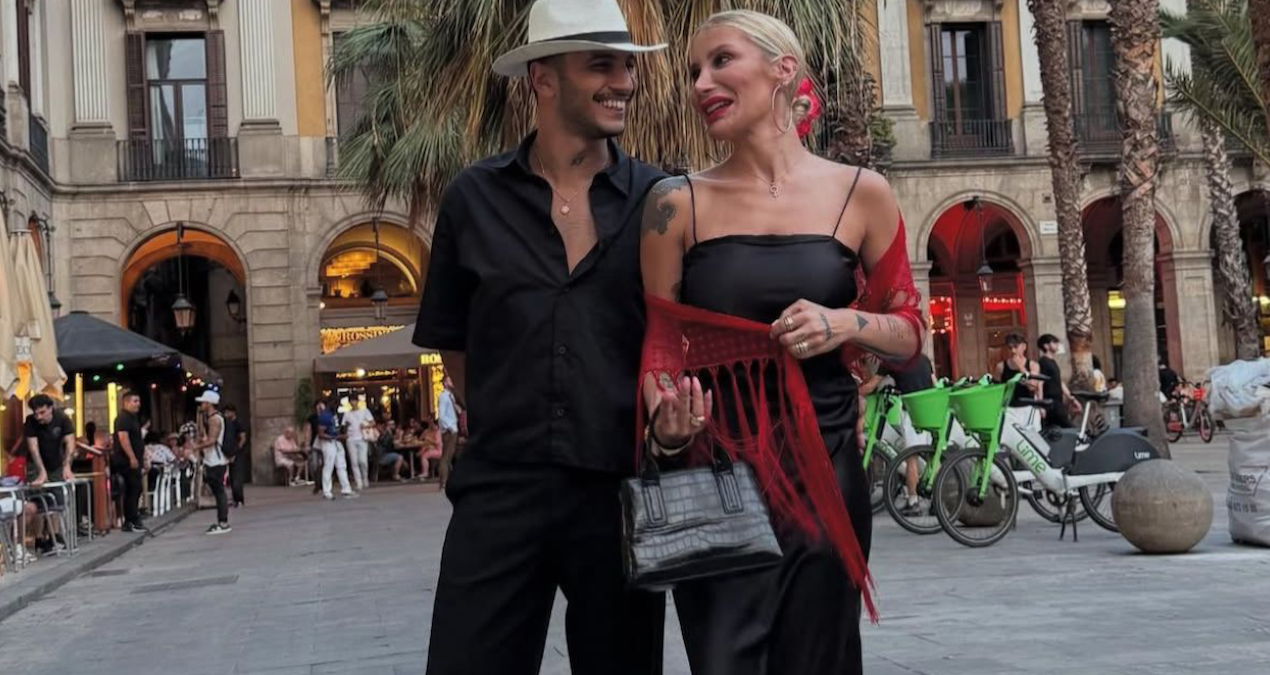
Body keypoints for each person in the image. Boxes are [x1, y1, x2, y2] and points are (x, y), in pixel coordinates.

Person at [637, 11, 925, 673]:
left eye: (721, 61)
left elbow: (909, 333)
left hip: (825, 463)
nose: (700, 83)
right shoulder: (673, 203)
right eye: (693, 72)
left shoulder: (863, 193)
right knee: (723, 658)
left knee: (819, 654)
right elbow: (661, 343)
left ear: (782, 70)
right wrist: (666, 425)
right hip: (714, 469)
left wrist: (843, 323)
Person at [412, 0, 668, 671]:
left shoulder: (661, 200)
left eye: (627, 66)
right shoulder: (474, 198)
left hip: (620, 494)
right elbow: (452, 342)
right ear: (543, 79)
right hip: (500, 489)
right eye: (601, 65)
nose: (624, 82)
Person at [879, 353, 936, 517]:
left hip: (912, 411)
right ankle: (937, 500)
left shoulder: (892, 358)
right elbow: (934, 381)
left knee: (911, 458)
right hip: (932, 408)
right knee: (933, 457)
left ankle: (913, 502)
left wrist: (856, 393)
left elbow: (872, 386)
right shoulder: (924, 358)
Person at [23, 394, 77, 553]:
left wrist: (67, 466)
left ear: (50, 408)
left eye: (42, 412)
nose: (39, 417)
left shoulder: (62, 418)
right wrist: (41, 472)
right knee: (38, 499)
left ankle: (55, 535)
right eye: (36, 414)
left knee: (56, 499)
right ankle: (40, 538)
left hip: (56, 462)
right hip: (36, 463)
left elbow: (70, 443)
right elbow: (33, 448)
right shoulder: (30, 421)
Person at [192, 391, 231, 535]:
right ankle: (222, 521)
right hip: (213, 458)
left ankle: (223, 522)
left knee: (219, 491)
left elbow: (212, 440)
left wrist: (197, 446)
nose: (201, 405)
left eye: (203, 402)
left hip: (215, 459)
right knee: (218, 490)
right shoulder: (213, 418)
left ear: (209, 403)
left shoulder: (214, 419)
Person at [112, 389, 148, 533]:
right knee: (133, 488)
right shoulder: (123, 418)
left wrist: (143, 456)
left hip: (135, 459)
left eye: (139, 401)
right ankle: (132, 519)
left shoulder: (133, 418)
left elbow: (137, 440)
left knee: (136, 488)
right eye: (135, 401)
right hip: (125, 461)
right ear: (126, 402)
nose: (138, 404)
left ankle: (131, 519)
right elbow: (123, 438)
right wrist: (131, 457)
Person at [315, 399, 357, 500]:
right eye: (335, 405)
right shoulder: (325, 416)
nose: (337, 407)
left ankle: (346, 489)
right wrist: (336, 437)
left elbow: (337, 428)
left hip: (336, 441)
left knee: (341, 465)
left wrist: (341, 433)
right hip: (328, 442)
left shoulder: (335, 415)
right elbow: (321, 434)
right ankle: (327, 491)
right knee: (328, 466)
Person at [1036, 334, 1074, 428]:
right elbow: (1040, 383)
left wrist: (1070, 397)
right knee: (1069, 427)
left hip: (1058, 401)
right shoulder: (1043, 362)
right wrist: (1041, 405)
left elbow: (1059, 381)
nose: (1057, 345)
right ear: (1046, 346)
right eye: (1054, 342)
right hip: (1050, 402)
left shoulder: (1053, 361)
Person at [342, 397, 375, 490]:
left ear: (357, 401)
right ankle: (358, 481)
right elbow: (343, 426)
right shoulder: (347, 414)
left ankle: (365, 477)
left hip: (362, 438)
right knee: (354, 461)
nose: (353, 403)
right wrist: (346, 427)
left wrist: (365, 426)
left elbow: (373, 422)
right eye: (351, 401)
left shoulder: (364, 411)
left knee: (362, 461)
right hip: (351, 439)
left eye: (354, 400)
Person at [435, 378, 460, 489]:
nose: (452, 383)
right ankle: (443, 481)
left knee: (450, 455)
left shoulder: (451, 396)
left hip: (453, 427)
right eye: (450, 381)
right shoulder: (443, 396)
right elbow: (441, 415)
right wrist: (449, 427)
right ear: (445, 383)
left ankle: (447, 479)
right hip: (449, 429)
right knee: (446, 455)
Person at [222, 403, 248, 507]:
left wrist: (236, 451)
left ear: (233, 412)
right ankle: (235, 499)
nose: (226, 414)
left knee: (237, 477)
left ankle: (239, 499)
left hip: (237, 454)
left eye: (227, 412)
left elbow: (243, 438)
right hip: (229, 453)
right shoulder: (226, 424)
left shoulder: (238, 423)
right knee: (232, 478)